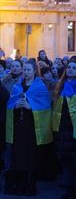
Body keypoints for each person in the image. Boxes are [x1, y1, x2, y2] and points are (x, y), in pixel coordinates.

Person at [5, 60, 53, 196]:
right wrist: (15, 106)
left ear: (34, 71)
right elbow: (10, 103)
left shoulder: (40, 87)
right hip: (19, 127)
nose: (26, 72)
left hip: (33, 127)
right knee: (18, 156)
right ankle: (19, 183)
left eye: (28, 70)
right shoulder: (17, 86)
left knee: (31, 157)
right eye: (24, 70)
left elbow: (44, 106)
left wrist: (30, 107)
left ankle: (30, 184)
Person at [53, 60, 76, 199]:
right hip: (62, 129)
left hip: (74, 129)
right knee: (66, 161)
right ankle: (69, 189)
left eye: (74, 68)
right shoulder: (60, 87)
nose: (71, 69)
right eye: (69, 67)